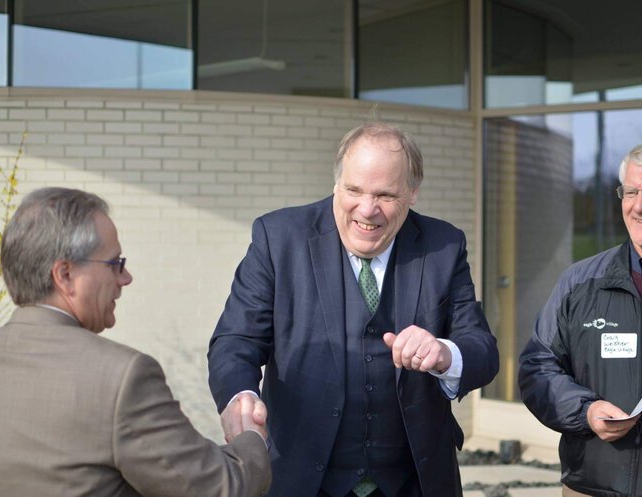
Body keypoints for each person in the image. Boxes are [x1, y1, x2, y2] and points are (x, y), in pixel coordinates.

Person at [208, 121, 499, 497]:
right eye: (354, 190)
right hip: (301, 479)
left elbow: (482, 349)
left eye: (385, 195)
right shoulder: (279, 238)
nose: (367, 209)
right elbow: (235, 340)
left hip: (414, 482)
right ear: (336, 183)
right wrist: (239, 397)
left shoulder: (443, 245)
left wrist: (445, 353)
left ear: (412, 192)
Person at [0, 187, 271, 497]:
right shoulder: (122, 378)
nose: (125, 278)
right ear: (65, 275)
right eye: (115, 263)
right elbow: (219, 487)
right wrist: (251, 436)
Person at [519, 137, 642, 497]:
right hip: (591, 488)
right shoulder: (579, 282)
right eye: (630, 191)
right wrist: (585, 411)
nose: (639, 206)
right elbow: (537, 368)